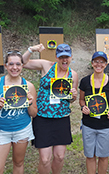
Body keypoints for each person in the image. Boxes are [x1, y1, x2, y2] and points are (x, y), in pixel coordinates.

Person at [22, 43, 78, 174]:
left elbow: (71, 99)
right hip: (43, 118)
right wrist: (31, 49)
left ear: (71, 57)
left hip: (62, 118)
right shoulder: (46, 65)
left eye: (67, 57)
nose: (64, 60)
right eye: (61, 57)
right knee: (45, 159)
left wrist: (73, 96)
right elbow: (23, 63)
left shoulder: (73, 75)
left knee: (59, 157)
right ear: (56, 57)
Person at [0, 48, 38, 174]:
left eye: (18, 64)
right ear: (5, 66)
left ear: (22, 66)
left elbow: (34, 113)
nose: (15, 67)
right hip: (2, 131)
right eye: (11, 64)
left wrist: (29, 103)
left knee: (18, 163)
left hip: (22, 130)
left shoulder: (29, 86)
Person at [79, 51, 109, 174]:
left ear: (106, 64)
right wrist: (83, 107)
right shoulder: (85, 81)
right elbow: (81, 100)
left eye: (102, 62)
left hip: (106, 125)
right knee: (90, 155)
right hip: (88, 125)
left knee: (103, 156)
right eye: (96, 61)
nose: (99, 64)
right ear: (92, 63)